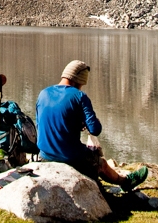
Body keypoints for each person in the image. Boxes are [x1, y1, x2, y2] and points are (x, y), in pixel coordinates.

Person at [36, 60, 148, 192]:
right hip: (69, 158)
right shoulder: (79, 96)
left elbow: (45, 123)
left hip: (44, 156)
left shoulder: (43, 93)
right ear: (79, 80)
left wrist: (75, 123)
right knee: (101, 163)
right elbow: (95, 129)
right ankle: (125, 182)